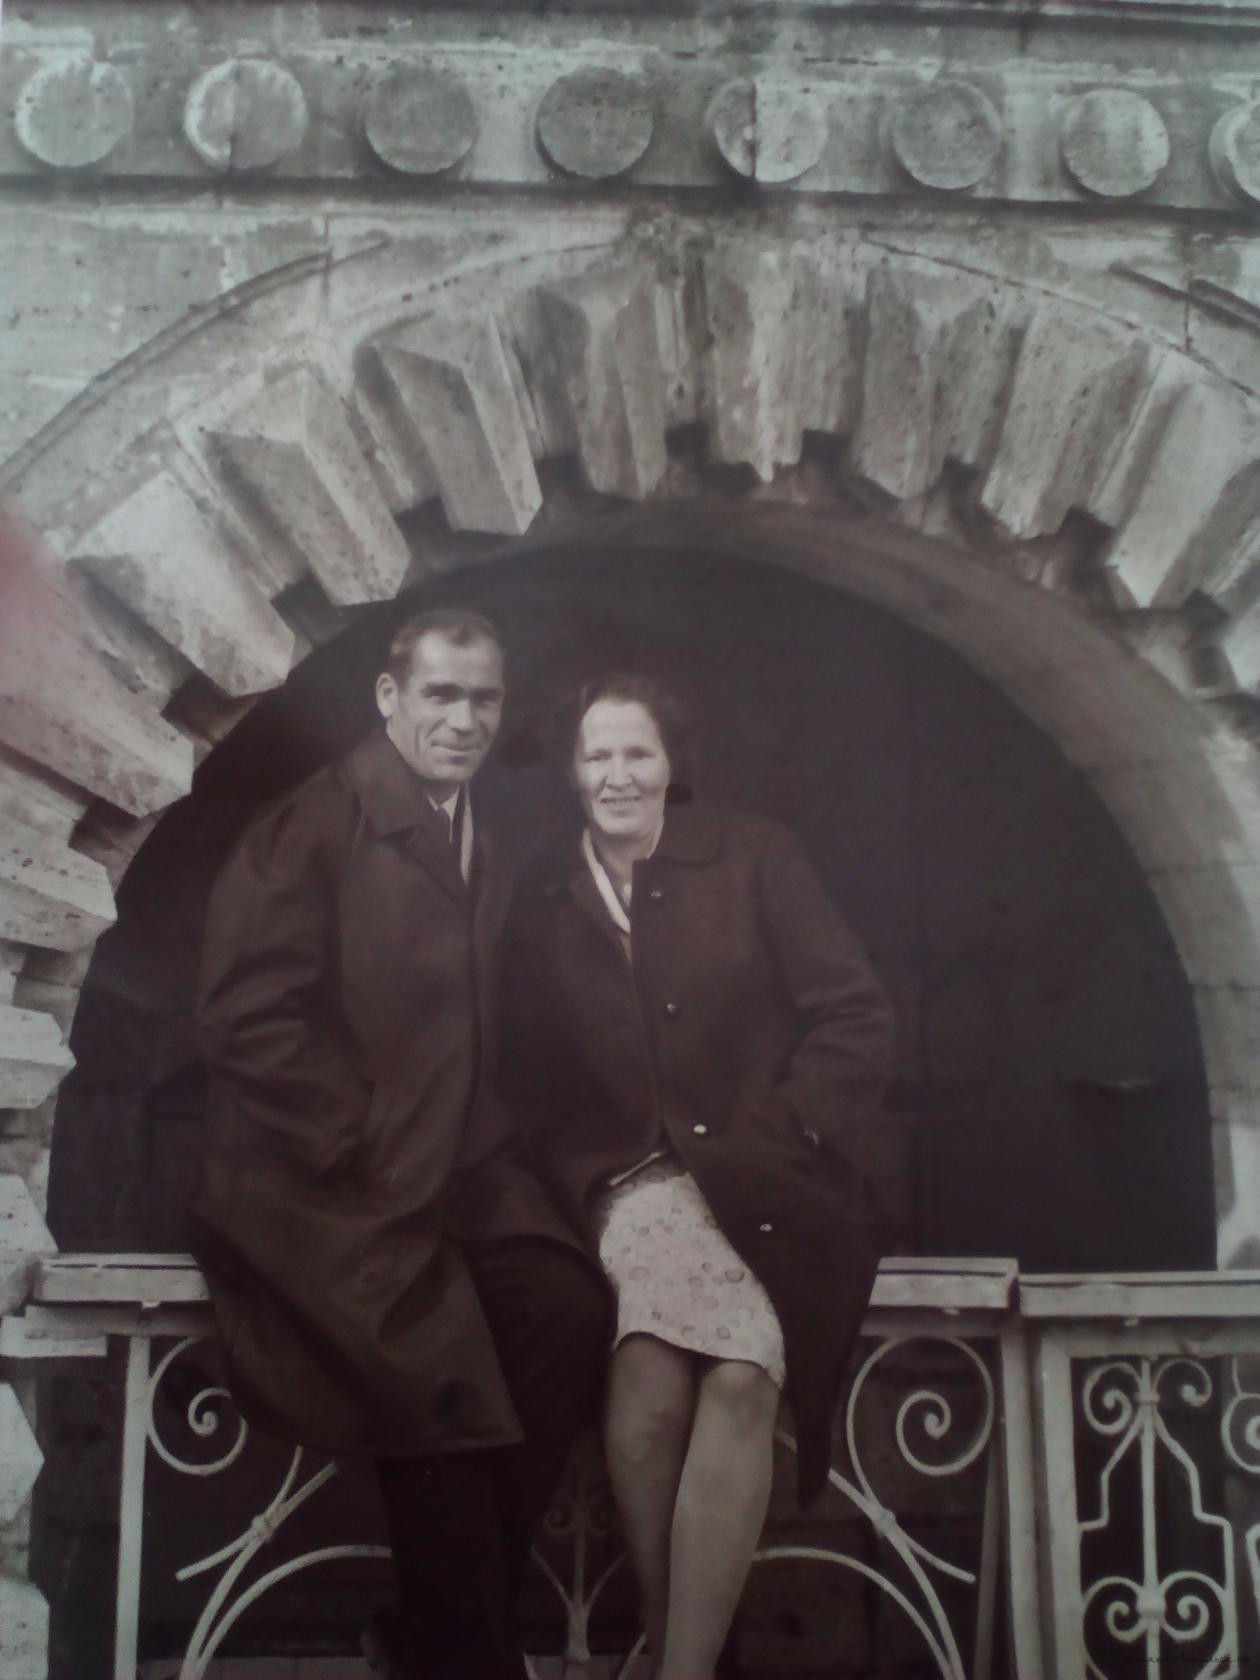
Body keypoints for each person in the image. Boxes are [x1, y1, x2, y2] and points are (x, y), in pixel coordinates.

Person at [189, 608, 610, 1680]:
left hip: (452, 1167)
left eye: (484, 700)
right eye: (441, 695)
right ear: (389, 697)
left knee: (565, 1310)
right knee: (433, 1375)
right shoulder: (314, 823)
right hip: (318, 1179)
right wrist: (360, 1136)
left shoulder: (479, 833)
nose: (464, 721)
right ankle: (468, 1660)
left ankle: (428, 1637)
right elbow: (246, 1017)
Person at [499, 672, 894, 1680]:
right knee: (646, 1390)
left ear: (672, 765)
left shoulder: (756, 855)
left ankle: (677, 1666)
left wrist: (791, 1128)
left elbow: (854, 1015)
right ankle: (686, 1650)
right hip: (635, 1185)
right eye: (596, 755)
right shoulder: (544, 894)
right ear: (570, 770)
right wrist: (564, 1180)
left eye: (638, 753)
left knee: (738, 1377)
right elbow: (525, 1074)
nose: (618, 775)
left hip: (778, 1175)